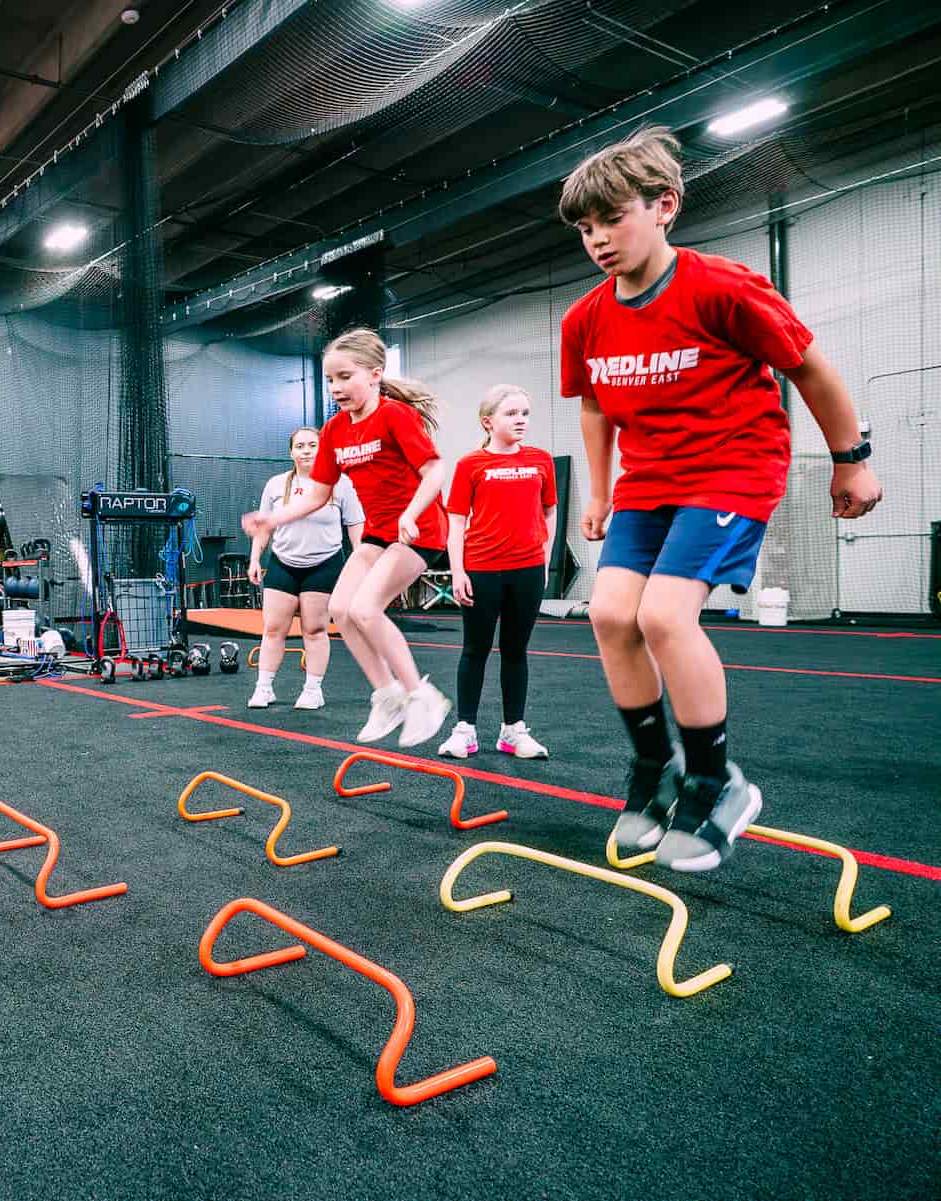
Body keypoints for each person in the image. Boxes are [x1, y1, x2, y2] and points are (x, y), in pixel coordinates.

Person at [560, 126, 881, 872]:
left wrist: (850, 462)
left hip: (733, 467)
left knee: (663, 616)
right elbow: (596, 409)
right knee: (609, 613)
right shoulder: (585, 319)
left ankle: (717, 783)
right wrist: (600, 493)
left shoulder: (723, 287)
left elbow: (812, 372)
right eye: (585, 228)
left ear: (665, 205)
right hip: (650, 481)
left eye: (614, 218)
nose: (599, 239)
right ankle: (655, 770)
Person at [241, 328, 453, 747]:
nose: (336, 388)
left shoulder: (394, 416)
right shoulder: (336, 430)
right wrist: (273, 520)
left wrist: (411, 513)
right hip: (379, 533)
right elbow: (319, 494)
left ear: (375, 374)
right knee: (340, 608)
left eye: (345, 377)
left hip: (420, 529)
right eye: (330, 380)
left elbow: (436, 470)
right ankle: (388, 696)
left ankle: (422, 696)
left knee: (367, 609)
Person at [437, 385, 556, 760]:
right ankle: (465, 731)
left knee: (515, 651)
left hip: (527, 570)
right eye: (511, 414)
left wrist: (544, 560)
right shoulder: (470, 465)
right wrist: (458, 571)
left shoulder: (541, 459)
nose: (520, 420)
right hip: (482, 568)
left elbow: (550, 511)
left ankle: (513, 732)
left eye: (524, 413)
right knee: (474, 650)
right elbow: (456, 521)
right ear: (488, 422)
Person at [246, 426, 366, 711]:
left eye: (313, 445)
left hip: (324, 564)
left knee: (314, 629)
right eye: (300, 446)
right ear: (291, 452)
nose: (306, 450)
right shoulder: (275, 485)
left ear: (323, 450)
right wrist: (254, 558)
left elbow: (355, 527)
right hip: (283, 564)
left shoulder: (342, 484)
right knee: (274, 628)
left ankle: (313, 690)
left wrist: (362, 564)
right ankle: (264, 688)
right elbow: (264, 527)